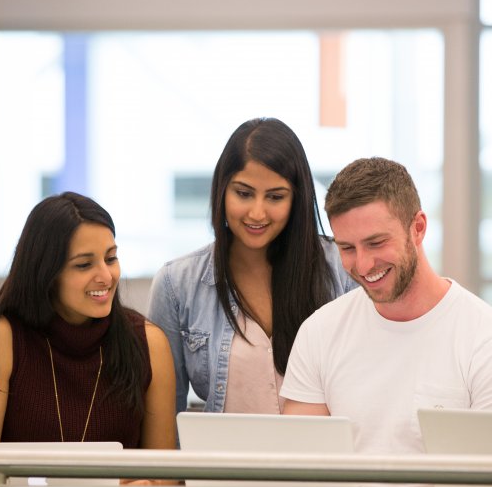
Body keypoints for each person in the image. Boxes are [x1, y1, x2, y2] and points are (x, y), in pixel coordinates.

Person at [280, 157, 492, 454]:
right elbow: (301, 464)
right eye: (348, 248)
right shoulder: (319, 333)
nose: (363, 265)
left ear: (418, 228)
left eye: (376, 243)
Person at [148, 118, 357, 415]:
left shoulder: (342, 268)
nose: (257, 213)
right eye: (244, 193)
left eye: (275, 197)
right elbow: (164, 415)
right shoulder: (176, 284)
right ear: (222, 191)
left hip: (322, 447)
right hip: (222, 448)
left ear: (297, 198)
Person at [0, 192, 176, 450]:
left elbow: (161, 470)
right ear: (46, 272)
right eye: (84, 264)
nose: (106, 276)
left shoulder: (148, 342)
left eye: (110, 258)